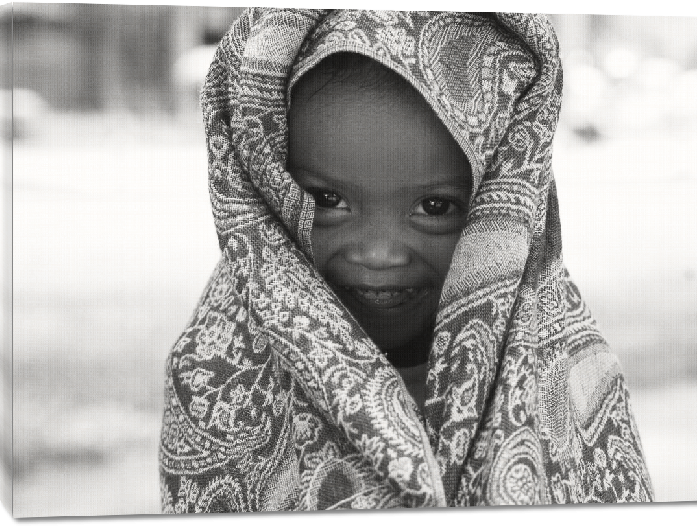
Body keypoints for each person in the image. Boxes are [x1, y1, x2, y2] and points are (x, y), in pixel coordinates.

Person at [160, 10, 654, 510]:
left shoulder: (568, 379)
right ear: (267, 194)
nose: (378, 254)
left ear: (502, 214)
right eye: (327, 200)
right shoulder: (216, 374)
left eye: (434, 208)